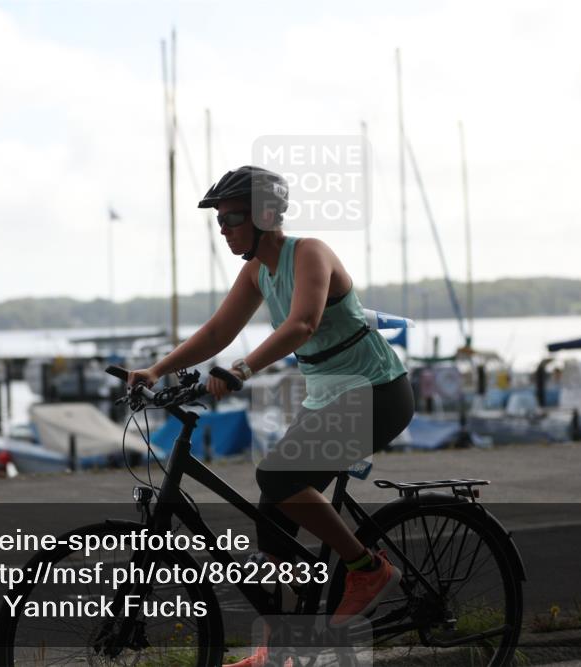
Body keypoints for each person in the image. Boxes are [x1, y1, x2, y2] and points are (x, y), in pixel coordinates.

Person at [127, 165, 414, 667]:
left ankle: (366, 568)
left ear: (265, 215)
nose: (224, 229)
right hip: (331, 397)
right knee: (272, 517)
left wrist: (242, 369)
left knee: (277, 476)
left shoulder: (310, 254)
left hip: (377, 392)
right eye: (219, 221)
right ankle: (280, 650)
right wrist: (157, 369)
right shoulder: (257, 269)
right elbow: (218, 331)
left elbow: (303, 322)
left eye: (232, 217)